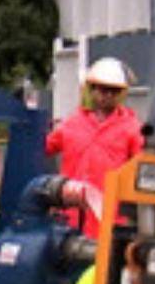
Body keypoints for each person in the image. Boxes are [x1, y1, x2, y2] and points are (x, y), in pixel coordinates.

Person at [45, 57, 144, 237]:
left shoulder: (132, 128)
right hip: (69, 219)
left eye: (113, 91)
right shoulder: (71, 123)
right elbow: (42, 149)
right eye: (103, 89)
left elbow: (142, 170)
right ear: (92, 90)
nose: (107, 95)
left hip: (108, 221)